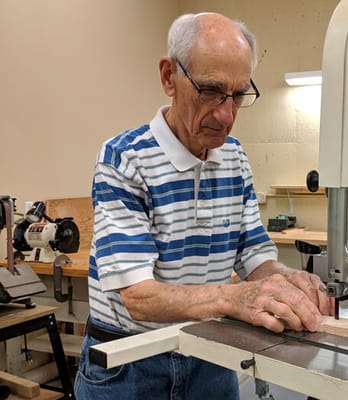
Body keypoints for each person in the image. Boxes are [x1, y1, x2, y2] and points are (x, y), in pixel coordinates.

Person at [75, 12, 333, 400]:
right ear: (169, 78)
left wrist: (287, 281)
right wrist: (234, 298)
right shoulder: (125, 158)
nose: (226, 116)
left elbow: (253, 256)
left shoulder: (234, 157)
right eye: (210, 91)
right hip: (129, 366)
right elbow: (139, 297)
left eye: (239, 95)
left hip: (207, 354)